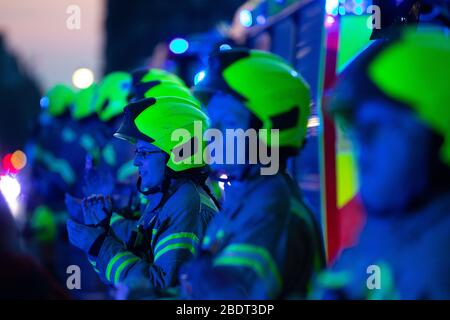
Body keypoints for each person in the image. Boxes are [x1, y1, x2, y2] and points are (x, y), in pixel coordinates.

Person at [315, 27, 450, 299]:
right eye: (356, 130)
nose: (360, 149)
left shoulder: (439, 266)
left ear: (437, 137)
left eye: (375, 127)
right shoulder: (381, 227)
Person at [180, 48, 325, 299]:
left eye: (227, 123)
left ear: (270, 130)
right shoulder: (246, 200)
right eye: (212, 124)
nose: (209, 136)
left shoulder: (273, 211)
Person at [66, 96, 218, 297]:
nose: (136, 161)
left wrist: (99, 244)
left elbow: (160, 286)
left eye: (145, 153)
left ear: (178, 154)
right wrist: (102, 232)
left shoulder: (186, 204)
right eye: (137, 152)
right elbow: (129, 274)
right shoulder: (167, 198)